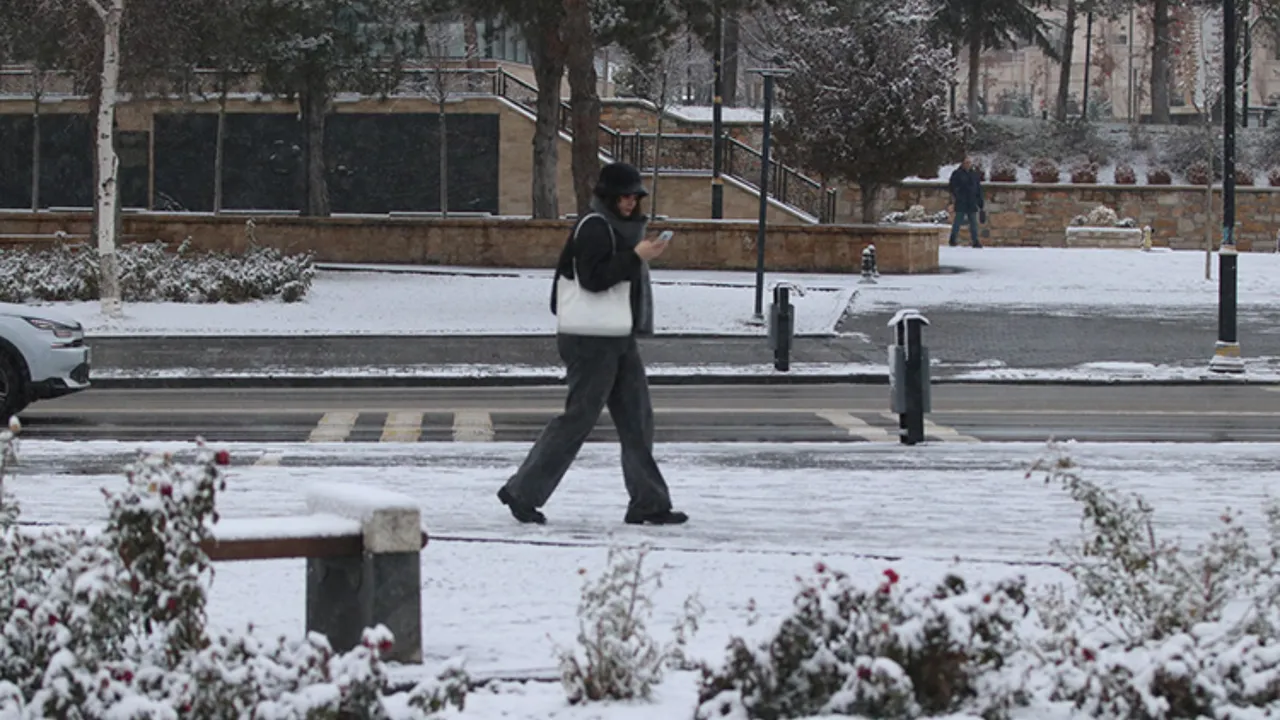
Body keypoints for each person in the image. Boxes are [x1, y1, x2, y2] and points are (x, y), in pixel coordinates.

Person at [497, 162, 689, 527]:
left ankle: (648, 502)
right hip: (589, 339)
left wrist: (638, 254)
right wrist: (636, 256)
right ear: (608, 197)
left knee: (637, 420)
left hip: (617, 333)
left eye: (634, 197)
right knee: (579, 419)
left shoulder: (621, 228)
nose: (630, 203)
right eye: (624, 197)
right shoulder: (595, 226)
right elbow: (593, 279)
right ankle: (522, 492)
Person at [948, 156, 985, 248]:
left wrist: (980, 202)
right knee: (958, 221)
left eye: (969, 163)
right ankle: (953, 239)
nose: (968, 165)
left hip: (972, 201)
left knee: (973, 223)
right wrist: (958, 195)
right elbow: (952, 186)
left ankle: (975, 241)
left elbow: (978, 189)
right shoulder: (957, 173)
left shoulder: (974, 174)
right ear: (962, 163)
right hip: (961, 201)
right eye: (966, 163)